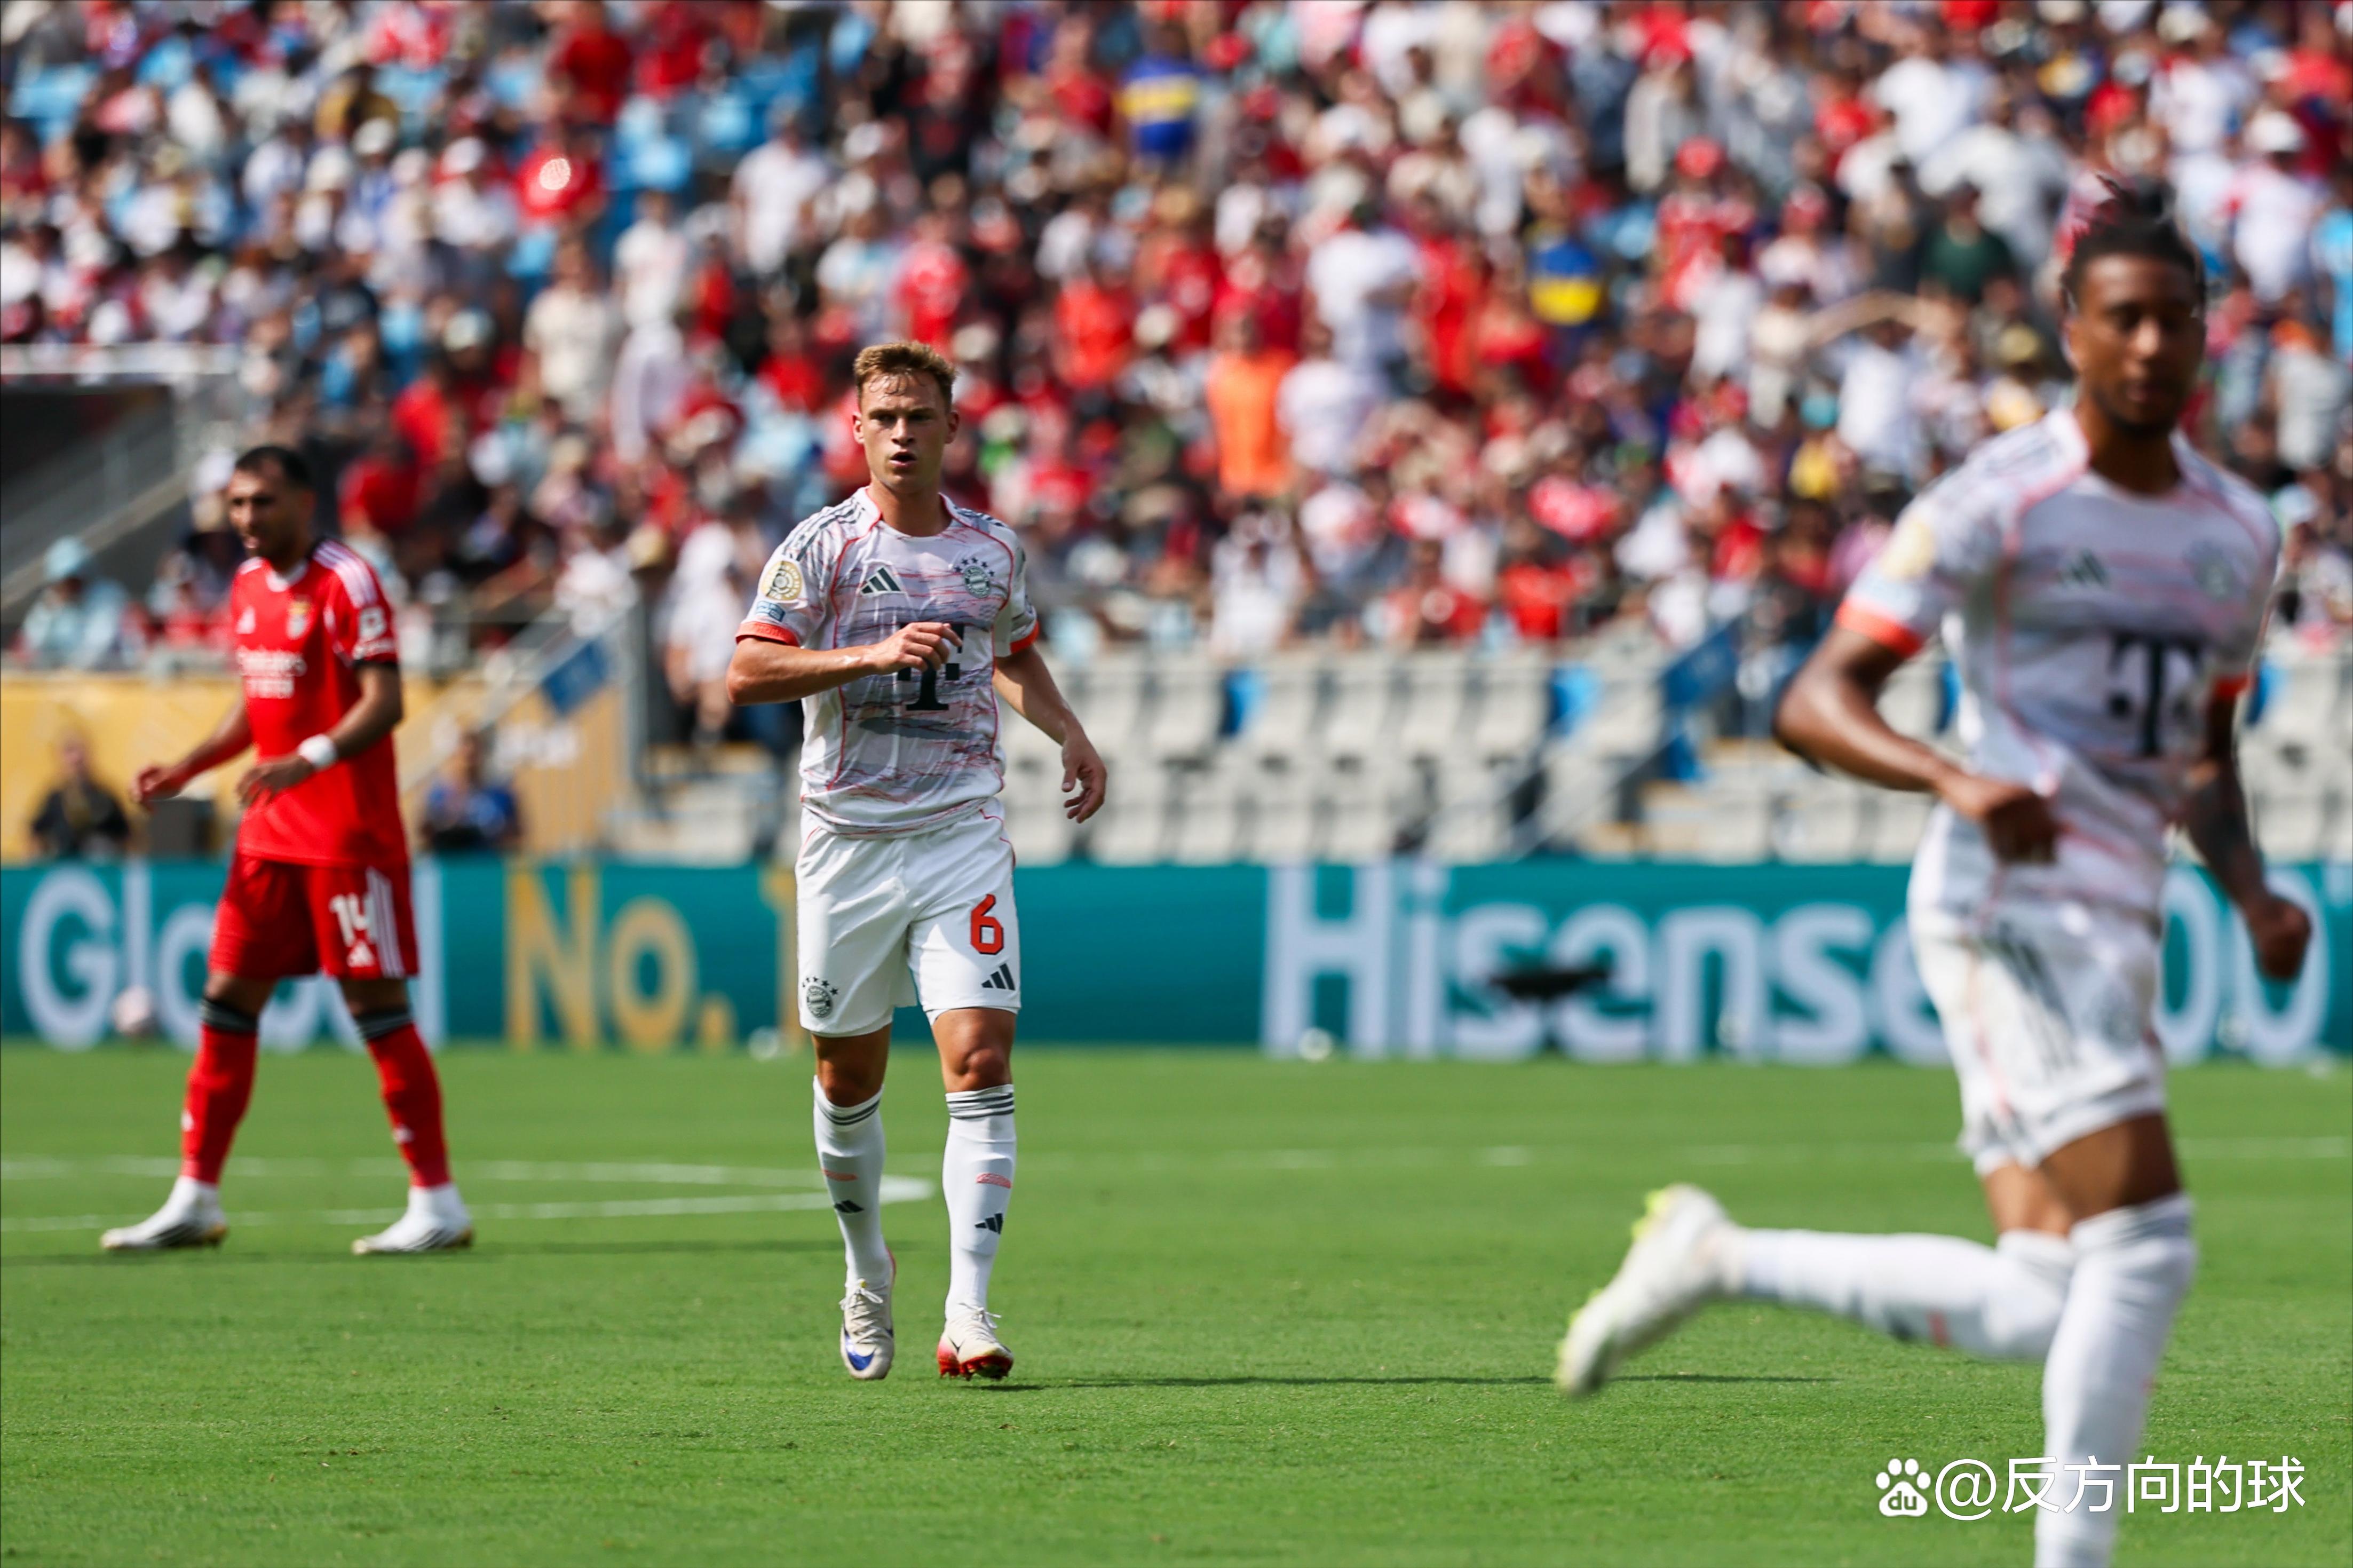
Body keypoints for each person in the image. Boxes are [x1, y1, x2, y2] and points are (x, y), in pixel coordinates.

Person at [1556, 182, 2312, 1568]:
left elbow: (2202, 750)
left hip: (2117, 914)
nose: (2150, 346)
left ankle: (1722, 1258)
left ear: (2208, 339)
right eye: (2121, 319)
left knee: (2047, 1293)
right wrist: (1956, 777)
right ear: (2074, 332)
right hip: (2002, 899)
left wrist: (2251, 887)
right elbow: (1815, 699)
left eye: (2176, 322)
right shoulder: (2000, 501)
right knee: (2147, 1248)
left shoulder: (2234, 537)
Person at [726, 342, 1107, 1383]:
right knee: (847, 1077)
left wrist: (1066, 730)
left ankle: (968, 1310)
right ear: (857, 430)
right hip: (846, 841)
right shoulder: (819, 548)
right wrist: (864, 655)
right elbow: (746, 669)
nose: (901, 432)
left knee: (980, 1062)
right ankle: (865, 1267)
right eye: (883, 415)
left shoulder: (990, 551)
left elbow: (1009, 646)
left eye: (919, 415)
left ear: (949, 429)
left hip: (959, 835)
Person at [110, 446, 471, 1256]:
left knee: (377, 1009)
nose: (246, 518)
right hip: (268, 837)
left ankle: (437, 1199)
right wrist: (191, 765)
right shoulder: (243, 587)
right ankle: (196, 1196)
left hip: (347, 835)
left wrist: (308, 757)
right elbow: (258, 702)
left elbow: (387, 701)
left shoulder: (348, 580)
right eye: (237, 503)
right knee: (227, 1000)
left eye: (263, 502)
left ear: (305, 503)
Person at [27, 735, 131, 859]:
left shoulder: (105, 797)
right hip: (64, 869)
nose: (76, 760)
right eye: (69, 753)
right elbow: (35, 835)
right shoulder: (54, 800)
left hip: (100, 870)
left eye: (80, 756)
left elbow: (127, 837)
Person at [421, 730, 521, 854]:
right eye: (465, 756)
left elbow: (516, 836)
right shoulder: (438, 797)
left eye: (474, 755)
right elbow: (425, 836)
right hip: (450, 864)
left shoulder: (500, 795)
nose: (469, 763)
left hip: (487, 863)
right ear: (454, 756)